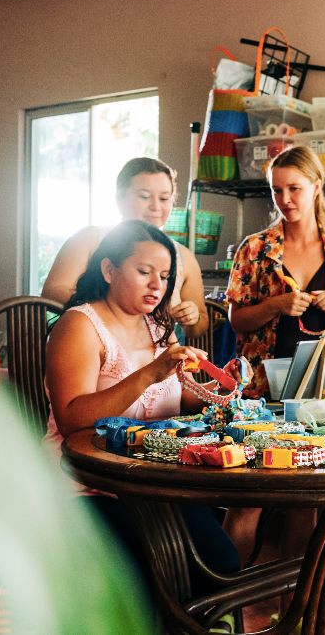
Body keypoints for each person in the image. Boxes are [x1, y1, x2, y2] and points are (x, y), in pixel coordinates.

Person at [43, 220, 239, 585]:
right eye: (144, 271)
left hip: (154, 480)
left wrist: (219, 392)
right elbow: (71, 420)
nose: (157, 286)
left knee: (219, 563)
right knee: (168, 569)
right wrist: (150, 372)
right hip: (87, 482)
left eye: (165, 276)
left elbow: (183, 398)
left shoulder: (159, 325)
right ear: (108, 269)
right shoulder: (79, 326)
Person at [226, 145, 325, 401]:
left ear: (316, 187)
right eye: (276, 190)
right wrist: (274, 305)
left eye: (294, 189)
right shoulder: (254, 249)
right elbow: (237, 321)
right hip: (261, 387)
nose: (284, 200)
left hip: (321, 386)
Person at [41, 157, 208, 339]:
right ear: (119, 198)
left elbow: (199, 327)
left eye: (164, 198)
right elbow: (53, 291)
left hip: (162, 358)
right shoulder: (89, 239)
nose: (155, 207)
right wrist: (113, 308)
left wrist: (193, 317)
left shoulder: (183, 256)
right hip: (93, 348)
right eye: (144, 196)